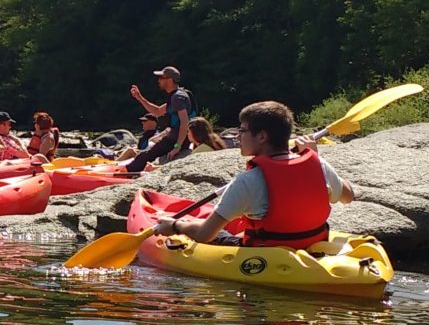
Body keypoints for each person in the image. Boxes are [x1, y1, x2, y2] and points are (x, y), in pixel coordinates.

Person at [151, 101, 358, 248]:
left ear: (262, 136)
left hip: (265, 254)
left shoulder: (247, 181)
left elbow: (205, 234)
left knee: (216, 233)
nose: (237, 137)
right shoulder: (317, 164)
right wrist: (315, 160)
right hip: (310, 245)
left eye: (242, 131)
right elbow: (348, 196)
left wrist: (176, 225)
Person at [126, 65, 195, 172]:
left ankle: (126, 175)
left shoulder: (178, 97)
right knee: (143, 156)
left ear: (170, 80)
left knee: (142, 157)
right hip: (174, 138)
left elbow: (184, 122)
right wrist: (140, 98)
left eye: (161, 78)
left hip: (175, 140)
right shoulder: (176, 96)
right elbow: (157, 111)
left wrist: (177, 147)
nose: (159, 81)